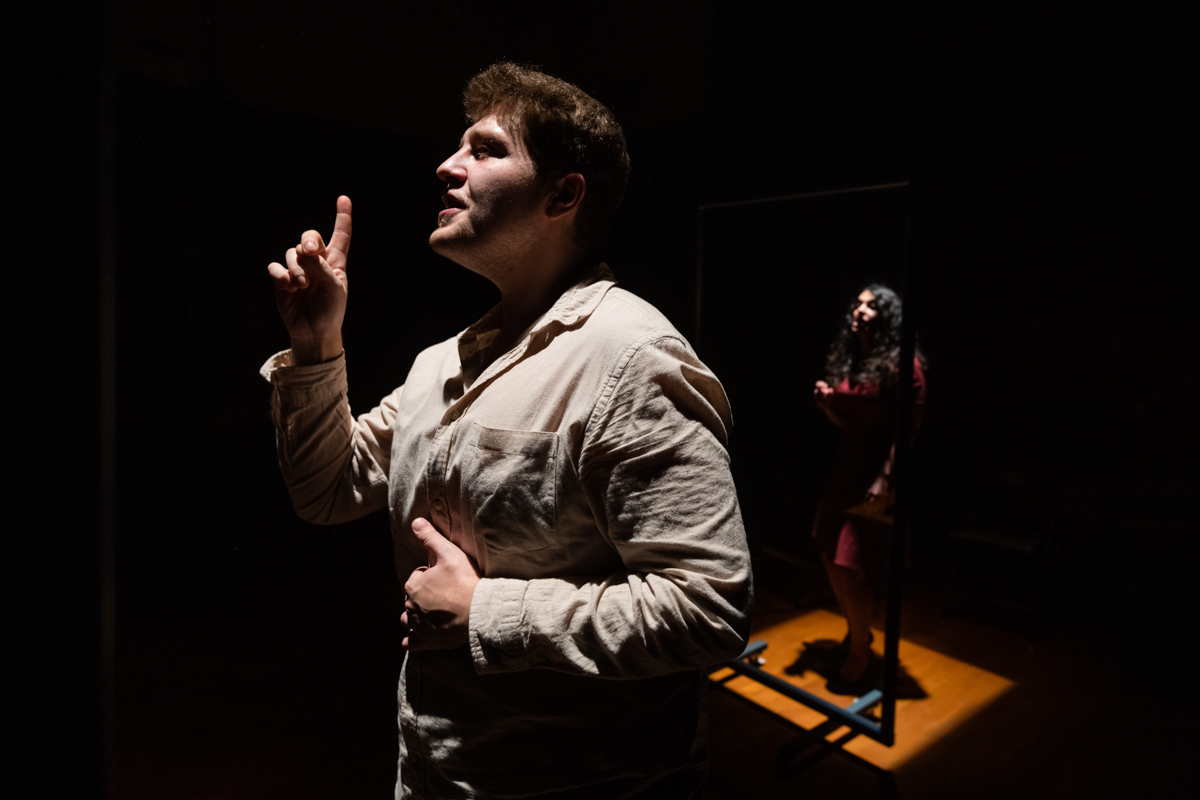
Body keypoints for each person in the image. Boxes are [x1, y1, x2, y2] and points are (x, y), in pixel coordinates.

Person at [259, 63, 751, 799]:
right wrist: (317, 345)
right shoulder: (439, 364)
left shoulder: (630, 358)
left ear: (563, 195)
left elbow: (707, 607)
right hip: (435, 771)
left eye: (486, 149)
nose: (446, 165)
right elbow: (327, 489)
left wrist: (486, 612)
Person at [811, 284, 926, 695]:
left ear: (889, 316)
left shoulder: (905, 366)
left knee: (849, 564)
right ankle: (856, 634)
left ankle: (860, 651)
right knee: (829, 556)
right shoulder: (855, 362)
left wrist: (885, 479)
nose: (859, 310)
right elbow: (849, 423)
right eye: (857, 303)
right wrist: (828, 405)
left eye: (871, 305)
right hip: (844, 471)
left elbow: (907, 431)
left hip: (876, 476)